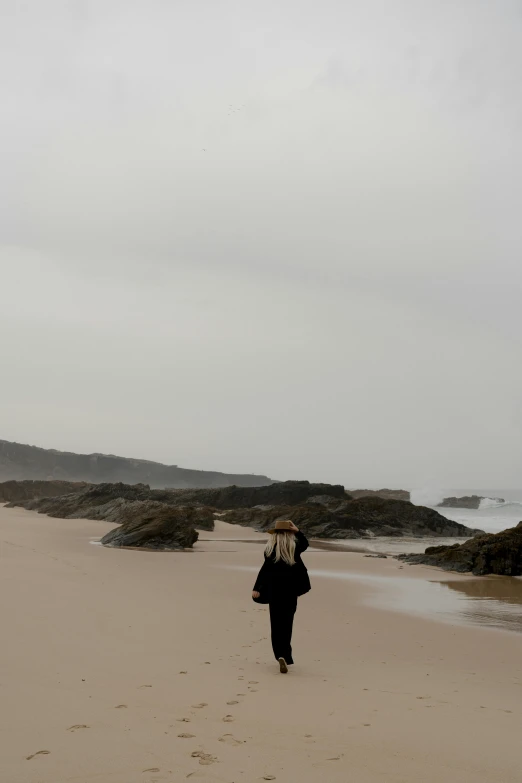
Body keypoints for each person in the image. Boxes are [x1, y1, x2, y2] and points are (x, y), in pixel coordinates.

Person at [252, 519, 311, 673]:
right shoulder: (295, 547)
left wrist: (257, 587)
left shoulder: (270, 550)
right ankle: (286, 654)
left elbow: (264, 570)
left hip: (274, 592)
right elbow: (305, 543)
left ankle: (279, 655)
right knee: (287, 623)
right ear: (290, 534)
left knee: (276, 624)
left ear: (275, 534)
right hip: (291, 592)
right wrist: (298, 531)